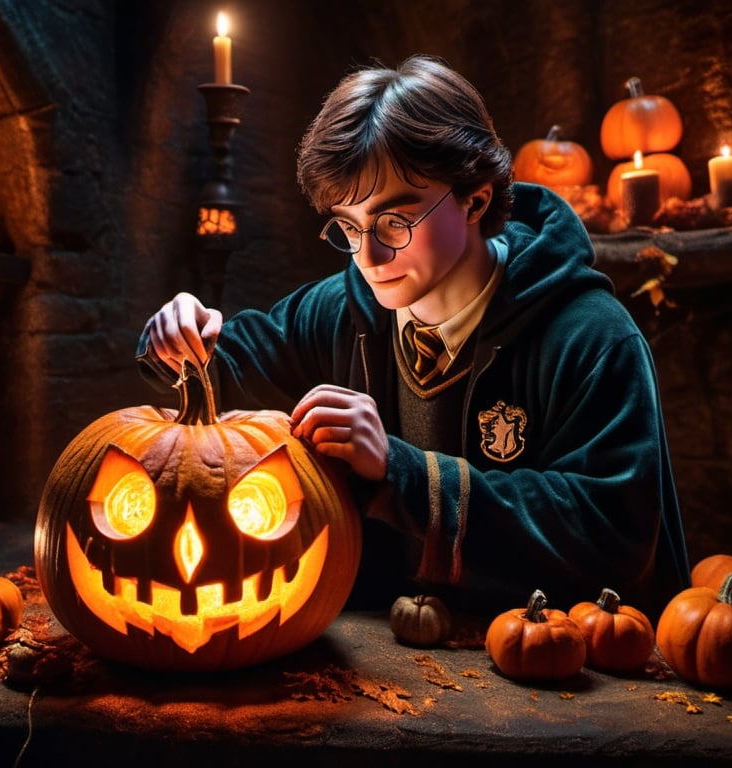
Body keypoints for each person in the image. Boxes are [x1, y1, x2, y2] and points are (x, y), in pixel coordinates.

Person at [137, 54, 690, 622]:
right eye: (348, 227)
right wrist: (182, 339)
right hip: (386, 670)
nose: (369, 258)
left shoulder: (593, 338)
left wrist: (400, 473)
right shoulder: (341, 305)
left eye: (394, 222)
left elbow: (612, 537)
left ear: (474, 198)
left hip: (558, 677)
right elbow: (231, 366)